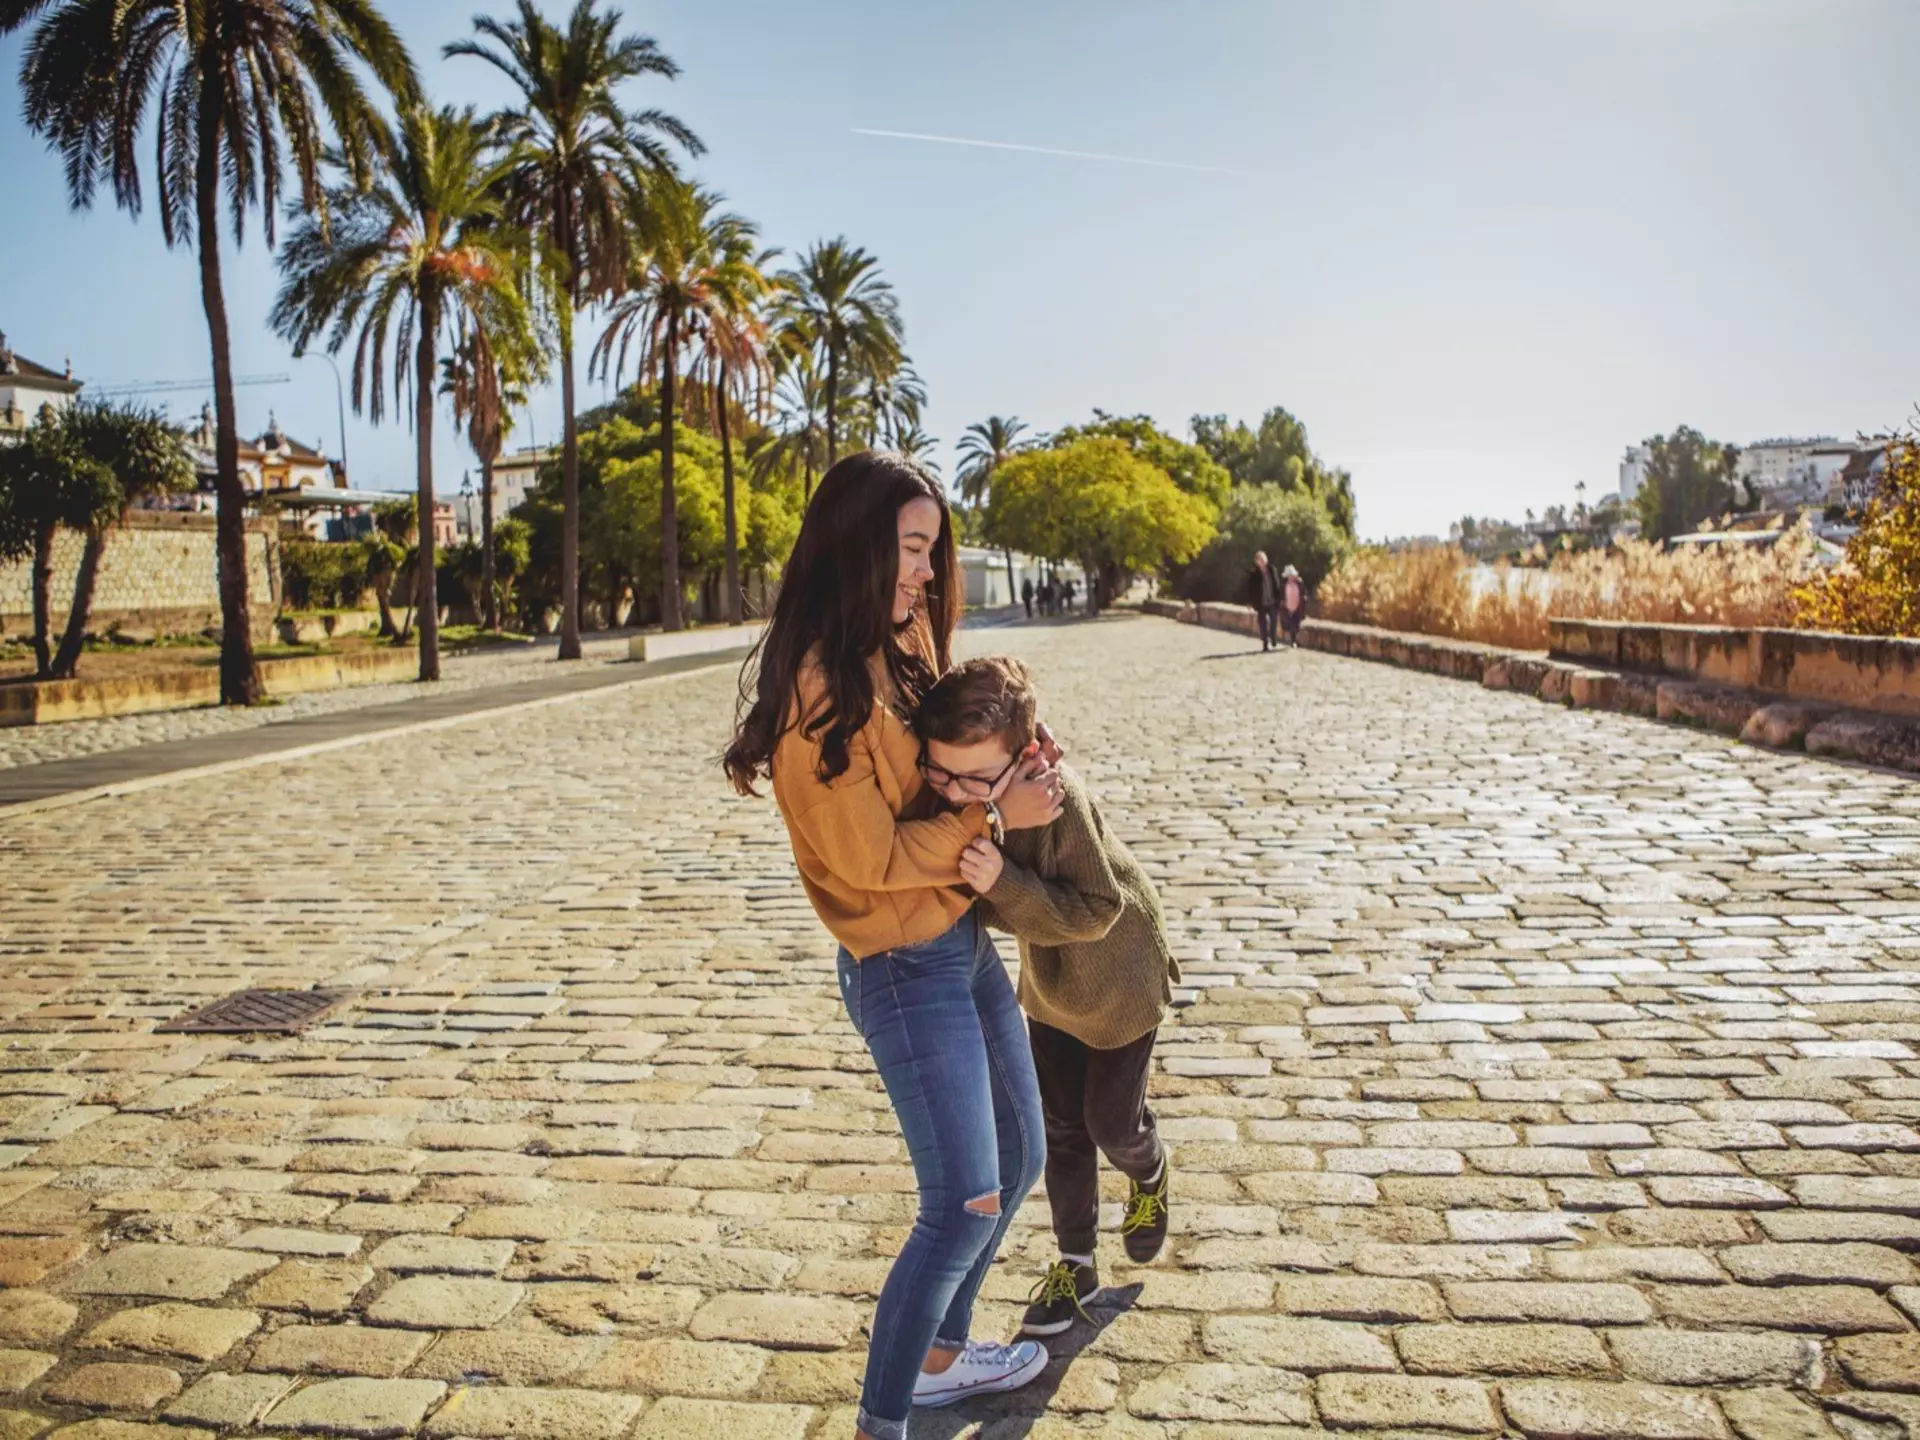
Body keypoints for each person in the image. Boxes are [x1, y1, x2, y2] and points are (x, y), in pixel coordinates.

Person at [723, 451, 1065, 1440]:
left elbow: (947, 766)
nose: (925, 571)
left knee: (1022, 1154)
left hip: (956, 941)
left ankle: (940, 1363)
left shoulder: (898, 643)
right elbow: (873, 860)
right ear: (861, 544)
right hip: (899, 971)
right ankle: (884, 1419)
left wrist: (1009, 758)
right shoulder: (815, 690)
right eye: (912, 549)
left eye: (931, 550)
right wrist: (997, 809)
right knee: (961, 1200)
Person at [916, 657, 1178, 1339]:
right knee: (1062, 1130)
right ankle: (1076, 1265)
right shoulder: (977, 796)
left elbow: (1098, 909)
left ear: (1024, 758)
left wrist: (1000, 879)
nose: (950, 793)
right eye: (938, 773)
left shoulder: (1061, 803)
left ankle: (1150, 1171)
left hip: (1120, 981)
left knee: (1110, 1125)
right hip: (1053, 989)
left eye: (970, 780)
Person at [1247, 550, 1281, 652]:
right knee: (1262, 624)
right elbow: (1250, 589)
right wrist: (1249, 602)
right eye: (1259, 559)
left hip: (1272, 601)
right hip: (1261, 602)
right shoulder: (1254, 574)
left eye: (1263, 559)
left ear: (1266, 559)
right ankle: (1265, 643)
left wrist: (1279, 598)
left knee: (1274, 620)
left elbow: (1277, 584)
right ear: (1256, 562)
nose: (1262, 561)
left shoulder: (1272, 570)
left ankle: (1273, 637)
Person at [1280, 563, 1306, 647]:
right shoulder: (1284, 584)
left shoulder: (1299, 583)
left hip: (1298, 605)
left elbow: (1304, 593)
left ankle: (1294, 640)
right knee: (1291, 624)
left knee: (1296, 624)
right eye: (1289, 576)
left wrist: (1303, 601)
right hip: (1288, 606)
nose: (1290, 577)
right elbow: (1282, 595)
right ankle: (1293, 641)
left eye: (1291, 575)